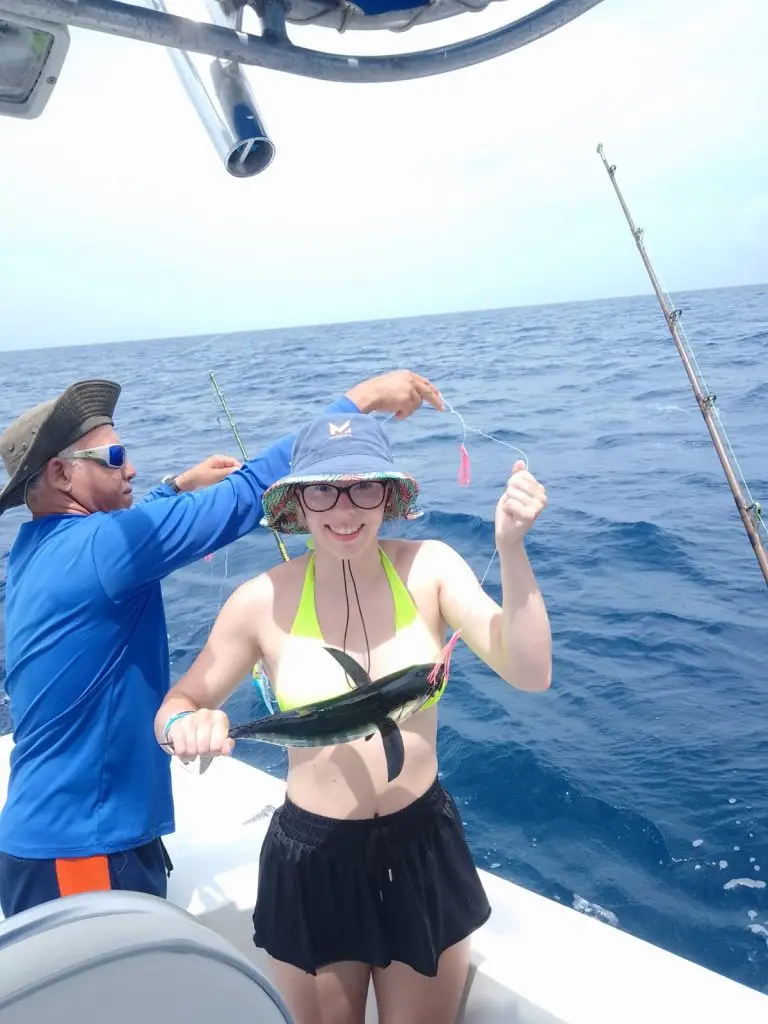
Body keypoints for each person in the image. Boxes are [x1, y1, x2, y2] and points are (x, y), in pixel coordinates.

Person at [0, 370, 442, 920]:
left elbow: (128, 530)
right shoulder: (104, 549)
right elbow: (247, 493)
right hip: (82, 848)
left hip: (55, 834)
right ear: (62, 473)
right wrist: (362, 401)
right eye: (114, 456)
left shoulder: (34, 550)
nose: (130, 467)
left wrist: (176, 486)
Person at [155, 411, 551, 1024]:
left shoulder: (432, 568)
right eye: (323, 489)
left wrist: (512, 548)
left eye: (364, 486)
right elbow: (177, 706)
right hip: (312, 858)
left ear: (389, 495)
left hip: (421, 845)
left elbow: (530, 671)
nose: (345, 509)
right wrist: (185, 727)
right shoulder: (261, 600)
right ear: (298, 504)